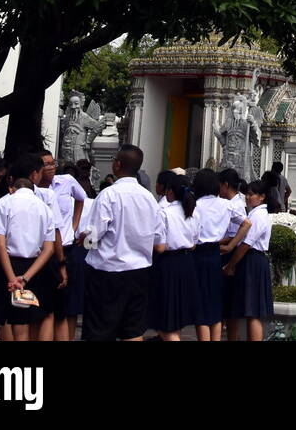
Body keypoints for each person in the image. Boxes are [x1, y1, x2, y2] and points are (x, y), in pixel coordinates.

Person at [0, 154, 56, 342]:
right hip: (30, 270)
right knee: (21, 326)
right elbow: (48, 249)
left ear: (13, 185)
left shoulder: (4, 203)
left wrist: (11, 279)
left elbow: (0, 245)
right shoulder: (44, 208)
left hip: (4, 268)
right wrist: (23, 279)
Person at [81, 145, 158, 342]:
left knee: (99, 330)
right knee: (132, 331)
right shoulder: (149, 197)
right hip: (139, 271)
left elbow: (94, 234)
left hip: (108, 272)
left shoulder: (109, 194)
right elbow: (156, 235)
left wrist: (83, 240)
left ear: (117, 165)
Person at [150, 171, 200, 341]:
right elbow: (194, 244)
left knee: (164, 320)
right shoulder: (193, 211)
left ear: (170, 191)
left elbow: (160, 246)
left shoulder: (164, 212)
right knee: (175, 319)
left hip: (168, 265)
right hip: (186, 263)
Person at [221, 178, 272, 342]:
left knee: (253, 311)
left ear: (262, 196)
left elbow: (246, 244)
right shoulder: (255, 213)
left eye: (252, 194)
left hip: (252, 260)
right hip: (251, 260)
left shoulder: (259, 216)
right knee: (244, 308)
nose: (248, 197)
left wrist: (231, 264)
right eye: (247, 194)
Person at [42, 150, 86, 341]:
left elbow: (81, 198)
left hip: (67, 248)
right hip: (44, 253)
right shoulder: (33, 187)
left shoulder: (67, 181)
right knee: (46, 306)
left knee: (68, 307)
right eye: (46, 164)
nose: (51, 167)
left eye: (53, 163)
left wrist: (74, 225)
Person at [191, 168, 228, 341]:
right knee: (214, 302)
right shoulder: (225, 205)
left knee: (200, 306)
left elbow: (192, 234)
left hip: (199, 254)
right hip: (216, 254)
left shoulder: (195, 206)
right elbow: (245, 223)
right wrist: (231, 244)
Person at [217, 168, 247, 337]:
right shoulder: (234, 202)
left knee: (228, 303)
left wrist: (217, 242)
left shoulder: (234, 205)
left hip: (230, 254)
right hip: (228, 252)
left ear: (225, 185)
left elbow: (235, 234)